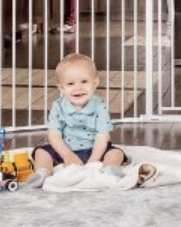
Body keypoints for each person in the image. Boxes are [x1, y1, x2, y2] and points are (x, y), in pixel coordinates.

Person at [28, 52, 126, 189]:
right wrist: (67, 155)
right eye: (70, 83)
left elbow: (102, 137)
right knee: (41, 152)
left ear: (95, 83)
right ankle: (43, 172)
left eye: (84, 81)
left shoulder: (100, 106)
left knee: (116, 153)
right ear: (62, 88)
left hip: (94, 150)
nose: (78, 88)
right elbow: (54, 134)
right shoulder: (58, 106)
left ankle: (109, 169)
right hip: (65, 149)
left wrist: (93, 161)